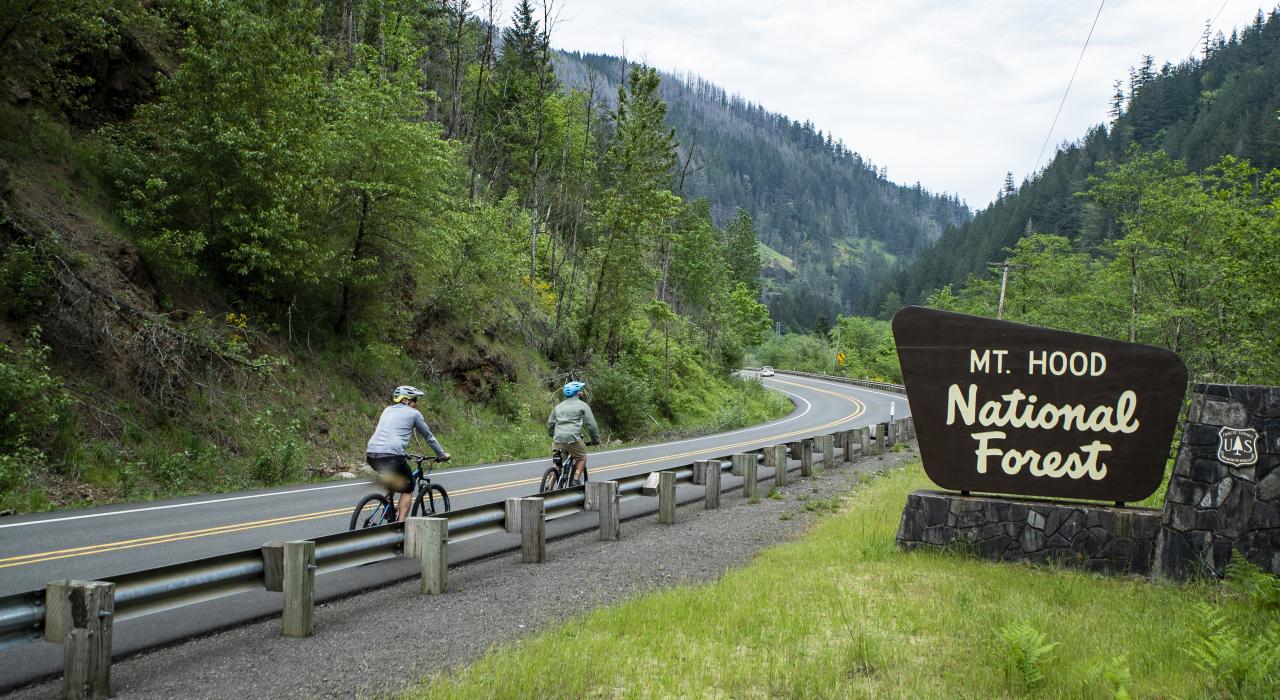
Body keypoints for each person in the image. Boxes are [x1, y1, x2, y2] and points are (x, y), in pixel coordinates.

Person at [365, 385, 450, 521]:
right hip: (392, 455)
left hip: (372, 454)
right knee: (408, 487)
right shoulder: (414, 414)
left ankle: (389, 509)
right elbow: (429, 437)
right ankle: (401, 526)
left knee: (393, 478)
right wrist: (442, 455)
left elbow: (389, 434)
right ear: (405, 400)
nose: (416, 403)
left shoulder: (387, 410)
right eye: (414, 400)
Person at [547, 380, 600, 484]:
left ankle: (549, 487)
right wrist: (594, 439)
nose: (582, 392)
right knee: (581, 458)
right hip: (573, 439)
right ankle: (575, 479)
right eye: (580, 391)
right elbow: (592, 425)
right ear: (576, 393)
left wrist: (552, 434)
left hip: (558, 439)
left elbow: (550, 424)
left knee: (557, 464)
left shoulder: (558, 407)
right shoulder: (583, 405)